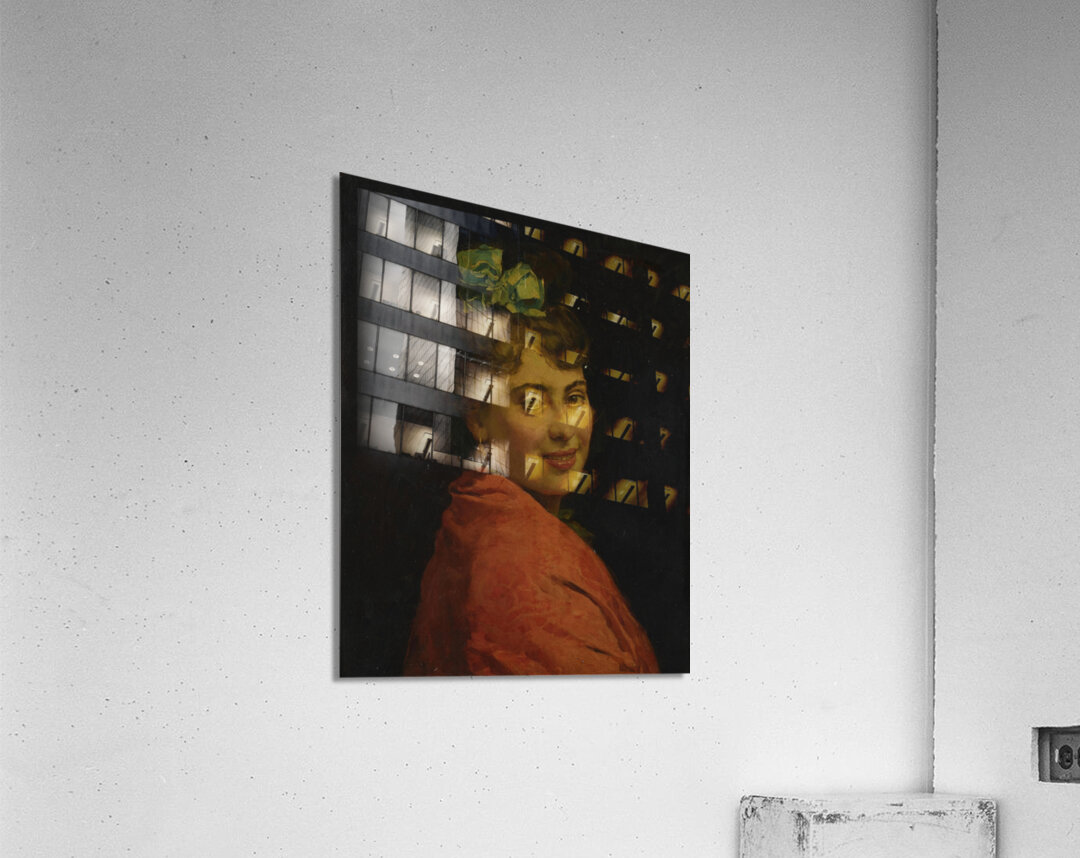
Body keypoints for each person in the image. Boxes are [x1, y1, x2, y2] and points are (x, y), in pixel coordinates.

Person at [402, 305, 658, 675]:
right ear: (479, 419)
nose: (564, 428)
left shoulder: (476, 521)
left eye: (574, 398)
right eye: (533, 402)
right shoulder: (524, 563)